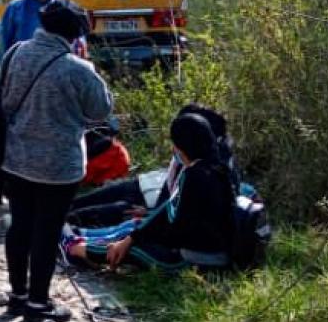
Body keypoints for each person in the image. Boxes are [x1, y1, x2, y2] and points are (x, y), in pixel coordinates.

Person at [0, 0, 113, 322]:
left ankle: (17, 294)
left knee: (19, 226)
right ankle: (38, 302)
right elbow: (101, 110)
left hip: (15, 160)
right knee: (46, 233)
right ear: (74, 35)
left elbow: (3, 98)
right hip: (59, 169)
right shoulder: (77, 68)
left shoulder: (15, 53)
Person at [65, 113, 235, 273]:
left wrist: (131, 240)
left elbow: (174, 221)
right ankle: (83, 238)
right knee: (137, 230)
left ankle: (74, 247)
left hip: (191, 259)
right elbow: (170, 211)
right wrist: (136, 234)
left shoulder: (194, 175)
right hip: (206, 251)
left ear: (181, 146)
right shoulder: (218, 169)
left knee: (131, 249)